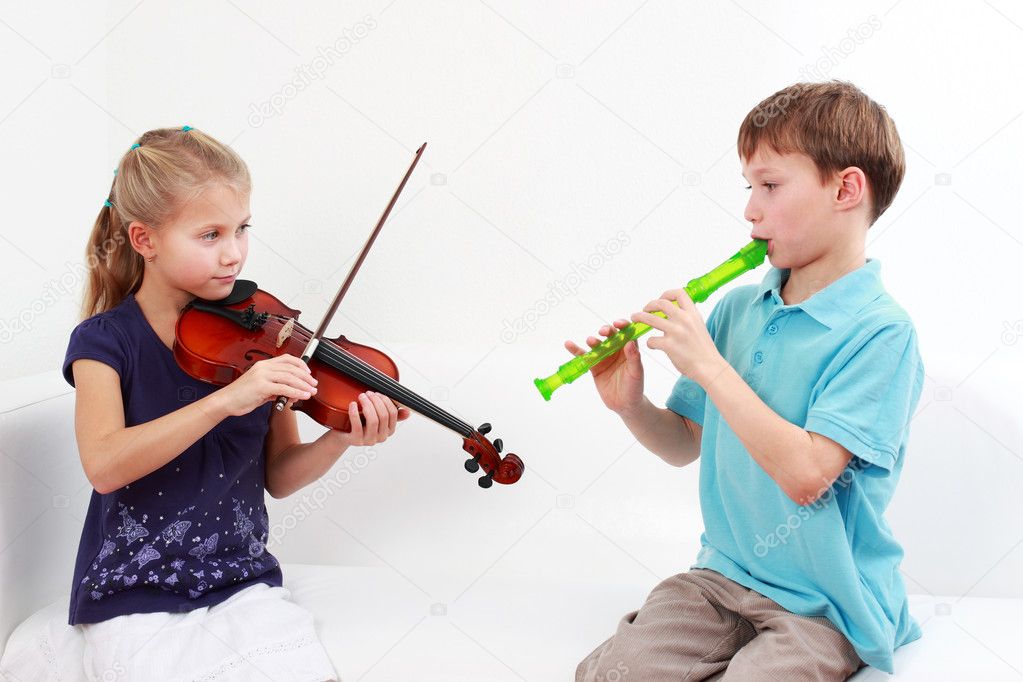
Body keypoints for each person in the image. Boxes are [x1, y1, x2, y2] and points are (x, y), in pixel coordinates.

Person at [1, 125, 408, 682]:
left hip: (241, 579)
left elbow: (280, 476)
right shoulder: (104, 341)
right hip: (133, 587)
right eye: (210, 234)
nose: (233, 253)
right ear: (145, 240)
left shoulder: (262, 339)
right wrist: (227, 401)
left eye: (242, 229)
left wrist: (341, 436)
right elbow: (104, 466)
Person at [574, 82, 923, 681]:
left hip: (826, 602)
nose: (750, 209)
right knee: (611, 674)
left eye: (770, 185)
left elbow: (808, 476)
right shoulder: (739, 308)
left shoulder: (881, 333)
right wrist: (632, 406)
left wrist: (709, 364)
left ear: (846, 188)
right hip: (723, 575)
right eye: (748, 187)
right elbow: (686, 442)